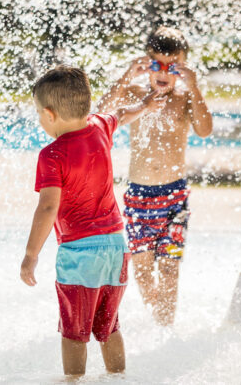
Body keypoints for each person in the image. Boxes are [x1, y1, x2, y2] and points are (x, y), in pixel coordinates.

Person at [20, 64, 164, 377]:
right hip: (115, 246)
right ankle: (119, 378)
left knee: (75, 331)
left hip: (79, 252)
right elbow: (122, 115)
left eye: (38, 114)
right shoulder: (99, 126)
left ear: (50, 114)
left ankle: (72, 382)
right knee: (109, 327)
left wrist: (31, 255)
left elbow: (47, 208)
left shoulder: (52, 154)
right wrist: (146, 105)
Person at [97, 26, 213, 326]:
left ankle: (166, 330)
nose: (164, 72)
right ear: (146, 63)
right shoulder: (135, 94)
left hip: (174, 197)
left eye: (172, 66)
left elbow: (204, 129)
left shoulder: (186, 98)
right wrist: (125, 76)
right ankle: (157, 321)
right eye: (157, 64)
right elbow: (101, 113)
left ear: (183, 68)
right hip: (139, 197)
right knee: (144, 271)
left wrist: (196, 87)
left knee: (170, 269)